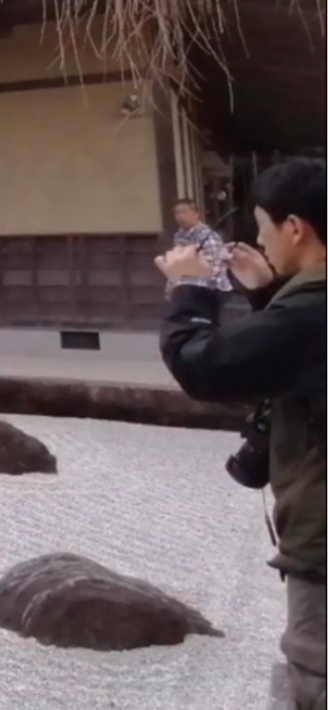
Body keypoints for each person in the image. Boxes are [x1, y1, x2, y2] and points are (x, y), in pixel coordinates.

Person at [156, 158, 326, 710]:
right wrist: (267, 294)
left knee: (315, 673)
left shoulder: (310, 312)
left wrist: (190, 291)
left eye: (262, 225)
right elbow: (297, 363)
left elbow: (202, 367)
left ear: (295, 228)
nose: (258, 239)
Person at [168, 198, 232, 295]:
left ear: (196, 214)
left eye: (184, 212)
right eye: (177, 213)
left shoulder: (207, 235)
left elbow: (215, 268)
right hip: (186, 287)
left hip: (211, 290)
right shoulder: (178, 235)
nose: (180, 216)